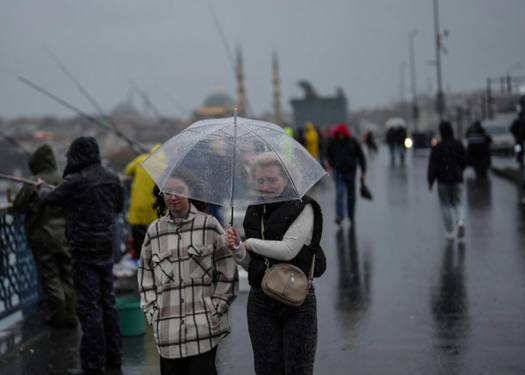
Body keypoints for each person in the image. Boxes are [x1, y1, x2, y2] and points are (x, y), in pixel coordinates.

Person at [224, 152, 326, 375]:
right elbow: (251, 265)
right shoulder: (254, 210)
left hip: (298, 301)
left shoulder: (304, 207)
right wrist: (237, 249)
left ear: (286, 179)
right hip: (261, 302)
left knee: (298, 370)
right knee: (267, 370)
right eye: (260, 180)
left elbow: (288, 250)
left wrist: (249, 242)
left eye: (272, 180)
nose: (265, 186)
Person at [138, 167, 239, 375]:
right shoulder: (154, 232)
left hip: (204, 330)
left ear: (190, 190)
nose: (173, 197)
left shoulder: (209, 226)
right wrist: (153, 313)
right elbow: (145, 276)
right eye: (167, 191)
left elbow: (227, 271)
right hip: (167, 333)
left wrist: (216, 309)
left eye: (179, 190)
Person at [37, 137, 124, 375]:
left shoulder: (74, 180)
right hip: (105, 249)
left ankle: (93, 364)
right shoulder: (111, 177)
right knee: (108, 304)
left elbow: (50, 199)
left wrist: (42, 186)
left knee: (88, 307)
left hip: (83, 252)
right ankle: (114, 358)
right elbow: (118, 207)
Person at [12, 144, 76, 328]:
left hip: (42, 238)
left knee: (50, 277)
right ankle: (71, 313)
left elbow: (19, 206)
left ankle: (58, 315)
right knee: (68, 275)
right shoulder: (64, 179)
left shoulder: (34, 182)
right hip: (65, 236)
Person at [428, 122, 467, 241]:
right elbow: (465, 159)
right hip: (457, 178)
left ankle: (450, 232)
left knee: (445, 205)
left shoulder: (438, 147)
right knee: (458, 202)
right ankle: (460, 221)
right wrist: (460, 170)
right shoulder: (458, 144)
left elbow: (433, 165)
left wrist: (430, 181)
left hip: (442, 180)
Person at [124, 143, 161, 260]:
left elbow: (128, 170)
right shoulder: (167, 164)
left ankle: (141, 260)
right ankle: (156, 258)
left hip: (139, 205)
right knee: (158, 235)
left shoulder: (142, 159)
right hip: (157, 206)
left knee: (139, 235)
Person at [326, 123, 366, 227]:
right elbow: (328, 155)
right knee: (340, 193)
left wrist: (363, 171)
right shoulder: (334, 143)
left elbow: (361, 157)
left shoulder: (353, 143)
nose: (340, 136)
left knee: (351, 196)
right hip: (338, 172)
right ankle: (339, 216)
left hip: (351, 173)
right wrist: (331, 164)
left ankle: (351, 216)